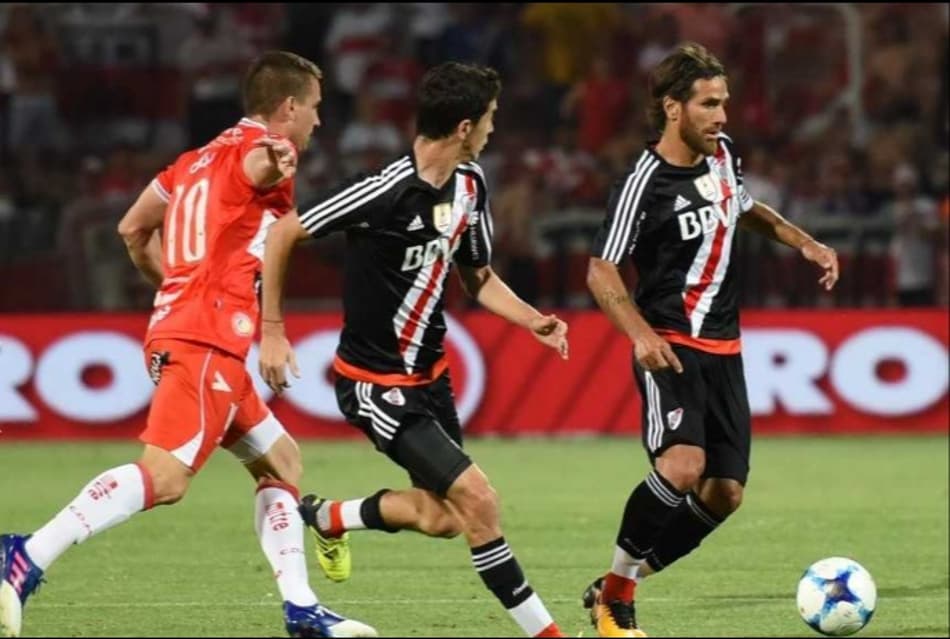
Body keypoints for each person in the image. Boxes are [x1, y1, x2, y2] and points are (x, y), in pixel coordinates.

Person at [0, 51, 375, 639]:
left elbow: (131, 229)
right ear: (289, 107)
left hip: (182, 328)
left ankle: (302, 609)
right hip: (208, 339)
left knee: (282, 460)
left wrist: (179, 288)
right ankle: (26, 554)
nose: (319, 122)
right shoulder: (272, 150)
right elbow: (263, 168)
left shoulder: (192, 161)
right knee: (166, 478)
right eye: (316, 109)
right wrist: (275, 164)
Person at [258, 62, 568, 639]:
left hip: (432, 380)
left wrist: (533, 321)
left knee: (444, 518)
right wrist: (272, 329)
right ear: (465, 126)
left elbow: (478, 277)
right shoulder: (382, 189)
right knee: (479, 501)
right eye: (491, 120)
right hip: (374, 385)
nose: (493, 131)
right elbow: (283, 233)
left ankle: (328, 518)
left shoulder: (470, 187)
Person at [582, 43, 840, 637]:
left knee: (723, 493)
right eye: (708, 104)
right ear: (673, 108)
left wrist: (803, 241)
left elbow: (745, 208)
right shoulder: (644, 182)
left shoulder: (723, 156)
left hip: (725, 350)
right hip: (670, 345)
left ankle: (615, 582)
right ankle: (615, 604)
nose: (722, 116)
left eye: (724, 102)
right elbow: (601, 269)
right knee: (682, 465)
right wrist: (640, 335)